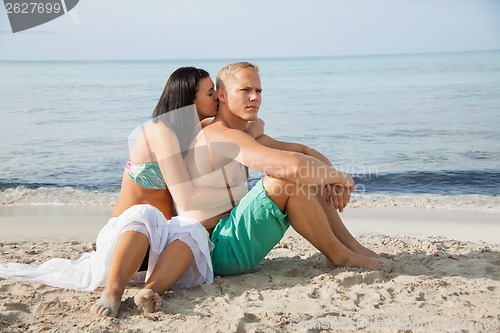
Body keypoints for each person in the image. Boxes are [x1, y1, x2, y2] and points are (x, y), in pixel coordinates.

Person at [0, 67, 264, 318]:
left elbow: (243, 128)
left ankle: (151, 291)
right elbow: (185, 199)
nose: (217, 99)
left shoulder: (194, 132)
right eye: (209, 94)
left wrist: (254, 126)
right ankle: (112, 294)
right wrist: (236, 200)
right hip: (130, 236)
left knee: (192, 228)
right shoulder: (161, 131)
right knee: (145, 213)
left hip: (160, 246)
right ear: (188, 99)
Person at [186, 62, 392, 276]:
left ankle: (351, 247)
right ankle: (340, 255)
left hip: (233, 238)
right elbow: (293, 167)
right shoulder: (220, 135)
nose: (254, 97)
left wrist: (331, 180)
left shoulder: (242, 134)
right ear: (222, 95)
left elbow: (305, 151)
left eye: (258, 91)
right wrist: (339, 177)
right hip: (218, 248)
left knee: (308, 174)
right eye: (245, 90)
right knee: (287, 178)